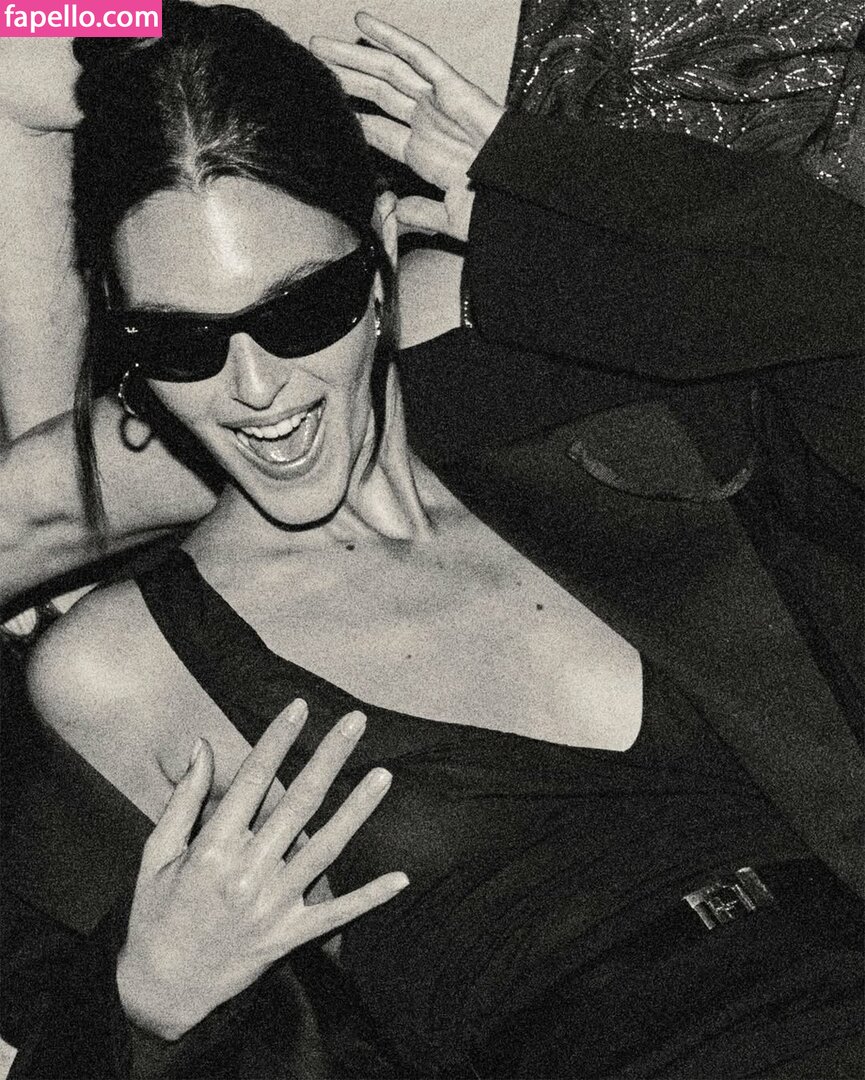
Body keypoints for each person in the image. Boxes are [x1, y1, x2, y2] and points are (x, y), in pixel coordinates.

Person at [13, 5, 861, 1079]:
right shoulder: (125, 664)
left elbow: (841, 310)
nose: (254, 387)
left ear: (380, 260)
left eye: (301, 310)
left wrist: (530, 180)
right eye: (179, 339)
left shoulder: (604, 433)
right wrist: (144, 1007)